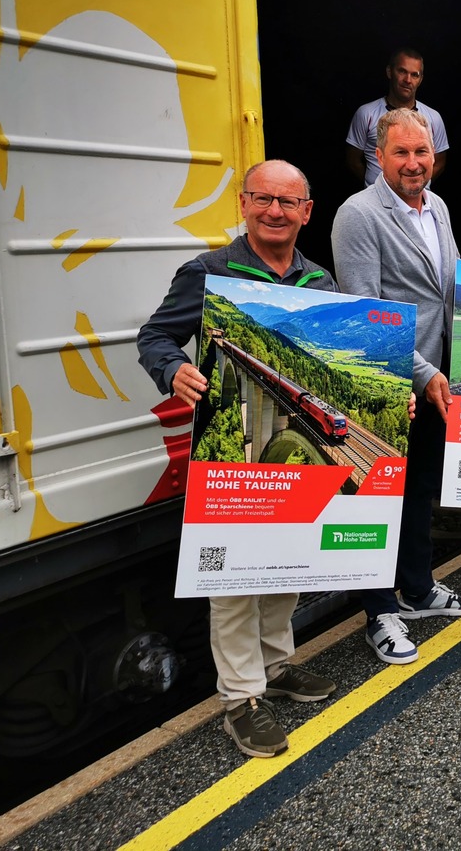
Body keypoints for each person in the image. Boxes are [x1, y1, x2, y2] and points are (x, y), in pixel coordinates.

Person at [136, 160, 338, 758]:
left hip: (293, 444)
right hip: (231, 445)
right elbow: (154, 336)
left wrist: (385, 400)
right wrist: (173, 370)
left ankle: (276, 668)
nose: (274, 211)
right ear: (243, 203)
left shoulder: (320, 282)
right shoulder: (208, 272)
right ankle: (241, 697)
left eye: (288, 202)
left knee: (285, 564)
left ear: (306, 211)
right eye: (263, 199)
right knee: (232, 580)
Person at [332, 108, 461, 665]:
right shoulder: (359, 216)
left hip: (436, 376)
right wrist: (425, 374)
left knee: (420, 487)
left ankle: (417, 590)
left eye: (422, 153)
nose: (414, 163)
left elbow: (446, 283)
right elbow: (366, 311)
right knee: (378, 497)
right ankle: (377, 612)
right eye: (401, 153)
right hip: (388, 376)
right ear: (379, 156)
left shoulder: (437, 207)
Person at [345, 47, 449, 186]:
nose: (407, 79)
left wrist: (417, 185)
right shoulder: (366, 113)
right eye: (402, 71)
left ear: (420, 79)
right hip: (377, 202)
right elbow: (353, 160)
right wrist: (375, 186)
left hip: (418, 203)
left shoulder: (433, 118)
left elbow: (439, 161)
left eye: (415, 75)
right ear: (389, 72)